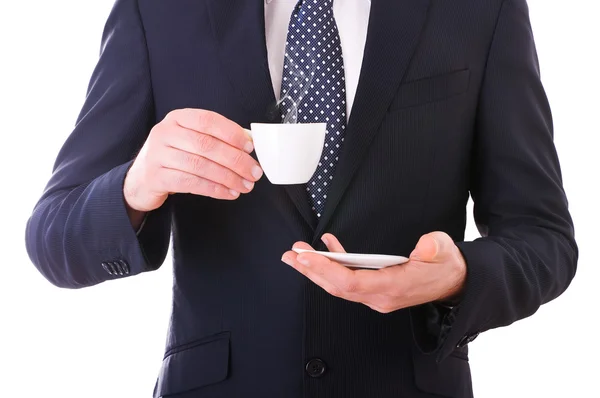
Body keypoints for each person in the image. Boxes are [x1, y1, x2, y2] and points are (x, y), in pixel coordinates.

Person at [25, 0, 578, 397]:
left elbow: (543, 236)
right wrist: (135, 185)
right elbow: (52, 238)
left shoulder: (482, 9)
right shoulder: (160, 10)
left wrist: (458, 277)